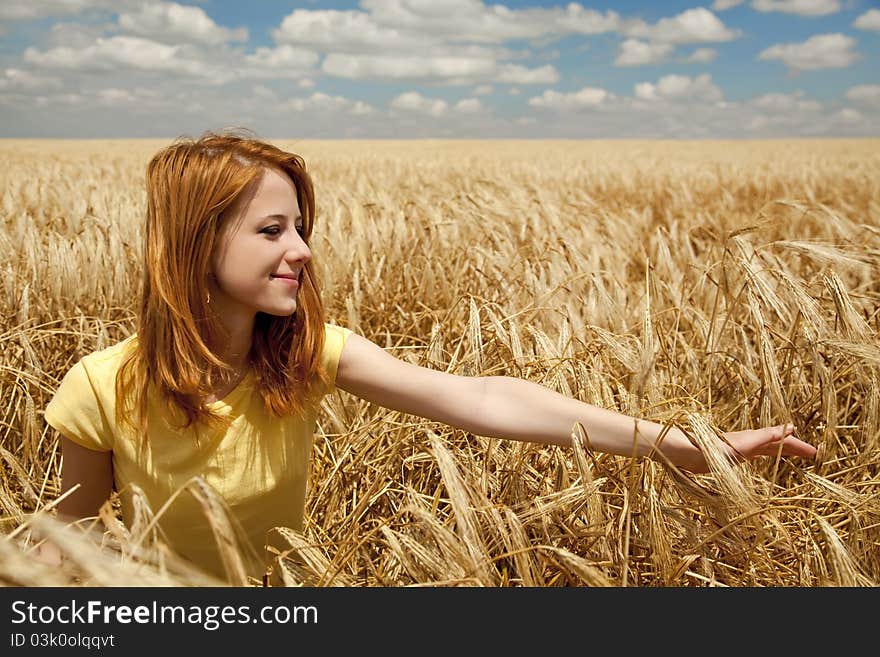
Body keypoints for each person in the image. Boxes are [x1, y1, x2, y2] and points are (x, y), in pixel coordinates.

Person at [40, 129, 817, 584]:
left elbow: (483, 396)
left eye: (301, 228)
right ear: (195, 242)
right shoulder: (103, 385)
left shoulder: (309, 357)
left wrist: (682, 446)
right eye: (272, 231)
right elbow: (67, 533)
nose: (303, 251)